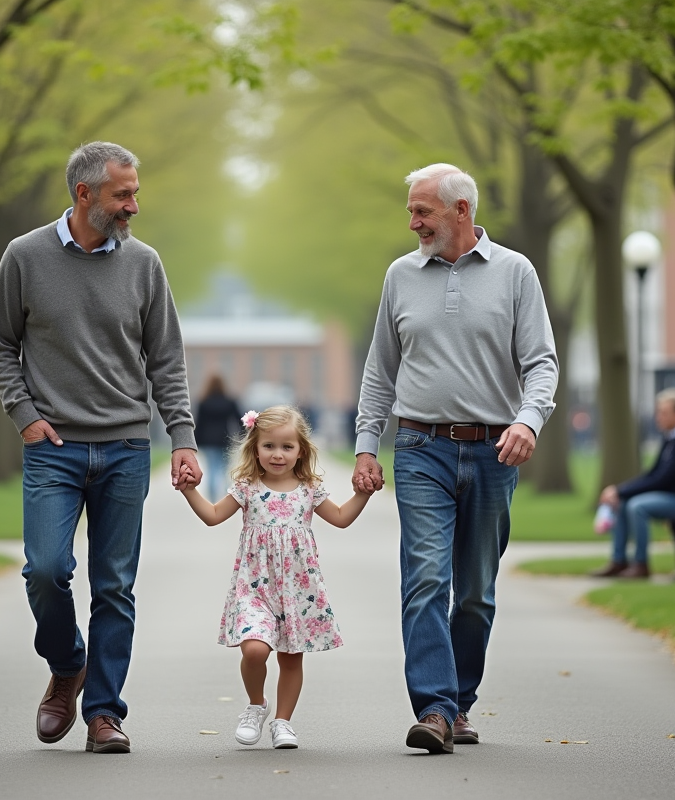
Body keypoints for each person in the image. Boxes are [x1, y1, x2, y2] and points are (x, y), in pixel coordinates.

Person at [0, 141, 202, 754]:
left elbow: (166, 359)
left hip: (126, 448)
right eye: (122, 194)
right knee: (46, 571)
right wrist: (25, 416)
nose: (134, 205)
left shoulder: (145, 264)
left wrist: (182, 437)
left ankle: (104, 713)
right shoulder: (23, 256)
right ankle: (67, 665)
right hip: (53, 448)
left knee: (114, 587)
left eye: (135, 193)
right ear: (84, 194)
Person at [353, 163, 559, 753]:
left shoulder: (515, 272)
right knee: (425, 579)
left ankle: (460, 701)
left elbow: (541, 363)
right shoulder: (401, 275)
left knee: (474, 593)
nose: (413, 223)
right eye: (411, 212)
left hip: (495, 451)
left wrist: (528, 421)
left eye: (423, 212)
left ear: (461, 210)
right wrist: (367, 444)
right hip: (421, 449)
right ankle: (436, 709)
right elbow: (380, 370)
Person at [180, 406, 369, 750]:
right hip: (254, 588)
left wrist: (364, 494)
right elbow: (212, 516)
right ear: (255, 449)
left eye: (286, 446)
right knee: (254, 650)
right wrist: (189, 490)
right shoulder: (247, 488)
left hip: (298, 590)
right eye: (268, 446)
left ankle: (283, 722)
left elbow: (341, 518)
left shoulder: (310, 489)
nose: (277, 454)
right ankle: (257, 705)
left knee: (291, 657)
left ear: (301, 451)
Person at [591, 388, 675, 579]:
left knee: (638, 507)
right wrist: (620, 492)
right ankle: (619, 561)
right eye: (658, 412)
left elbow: (662, 479)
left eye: (664, 413)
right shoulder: (671, 438)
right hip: (668, 494)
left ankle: (641, 564)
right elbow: (652, 474)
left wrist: (620, 490)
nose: (658, 417)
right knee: (622, 503)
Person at [195, 374, 241, 502]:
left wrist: (195, 442)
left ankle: (212, 499)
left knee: (212, 469)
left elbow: (199, 423)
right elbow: (239, 420)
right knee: (224, 470)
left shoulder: (203, 402)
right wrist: (241, 437)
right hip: (224, 439)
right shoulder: (229, 402)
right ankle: (226, 498)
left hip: (207, 441)